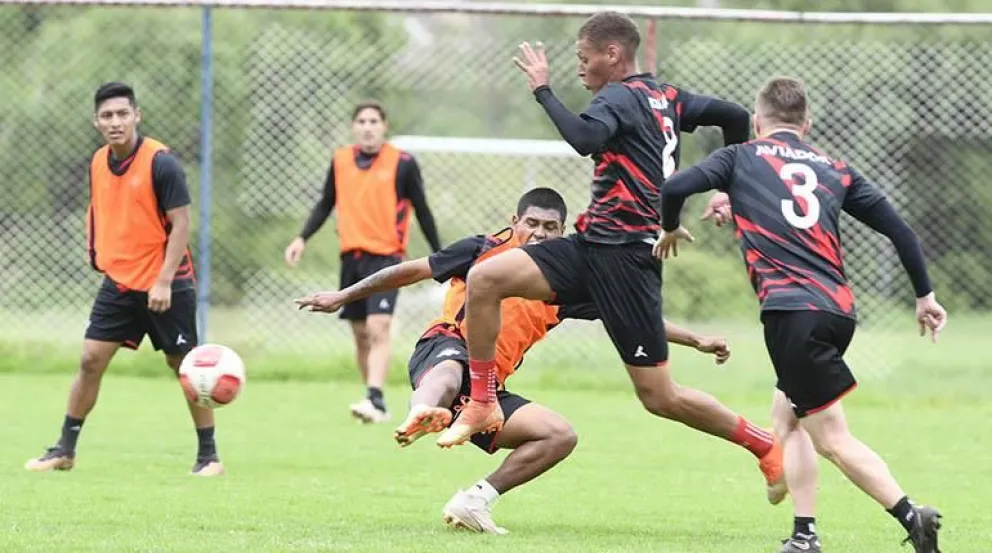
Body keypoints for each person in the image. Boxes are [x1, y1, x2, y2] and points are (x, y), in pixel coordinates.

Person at [436, 12, 787, 502]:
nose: (580, 67)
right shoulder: (669, 98)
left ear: (613, 54)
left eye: (584, 58)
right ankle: (481, 401)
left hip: (626, 260)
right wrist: (730, 186)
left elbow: (585, 140)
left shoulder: (618, 96)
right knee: (485, 277)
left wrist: (542, 89)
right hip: (590, 246)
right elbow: (733, 115)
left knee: (660, 397)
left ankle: (765, 445)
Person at [296, 187, 736, 533]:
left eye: (550, 227)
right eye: (532, 224)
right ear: (514, 222)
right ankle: (422, 412)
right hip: (444, 348)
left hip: (487, 394)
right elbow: (411, 270)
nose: (540, 234)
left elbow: (636, 318)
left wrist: (697, 339)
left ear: (562, 232)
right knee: (451, 369)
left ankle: (475, 501)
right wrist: (344, 296)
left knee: (559, 435)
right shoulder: (483, 250)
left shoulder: (565, 285)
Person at [656, 76, 947, 553]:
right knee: (787, 418)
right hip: (836, 311)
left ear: (756, 121)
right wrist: (925, 296)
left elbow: (675, 187)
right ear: (806, 125)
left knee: (831, 438)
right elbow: (901, 232)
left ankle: (912, 515)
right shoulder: (835, 169)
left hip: (792, 313)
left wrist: (669, 228)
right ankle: (804, 535)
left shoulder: (740, 157)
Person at [24, 82, 222, 476]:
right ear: (96, 122)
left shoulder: (161, 162)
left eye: (122, 114)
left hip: (166, 282)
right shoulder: (99, 161)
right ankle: (64, 450)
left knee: (184, 366)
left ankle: (209, 457)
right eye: (107, 116)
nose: (115, 122)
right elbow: (102, 210)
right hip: (120, 282)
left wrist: (164, 280)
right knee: (90, 360)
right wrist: (97, 251)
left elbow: (181, 223)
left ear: (136, 116)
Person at [284, 100, 442, 424]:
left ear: (384, 126)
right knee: (360, 333)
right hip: (351, 258)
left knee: (378, 326)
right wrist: (301, 238)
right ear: (353, 127)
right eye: (362, 121)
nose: (368, 127)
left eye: (374, 121)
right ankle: (374, 401)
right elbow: (325, 203)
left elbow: (423, 209)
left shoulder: (403, 163)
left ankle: (375, 396)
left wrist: (442, 255)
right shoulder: (340, 160)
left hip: (387, 257)